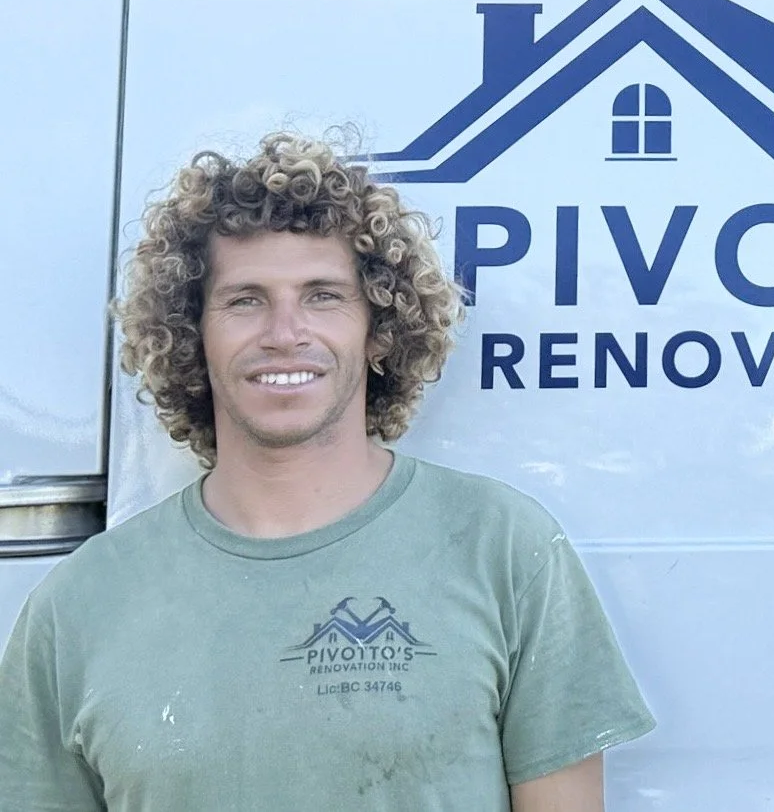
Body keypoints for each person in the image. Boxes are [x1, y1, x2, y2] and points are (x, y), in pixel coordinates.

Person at [0, 132, 654, 810]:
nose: (285, 331)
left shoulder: (503, 548)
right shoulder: (78, 605)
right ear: (193, 333)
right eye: (245, 299)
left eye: (322, 296)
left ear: (379, 329)